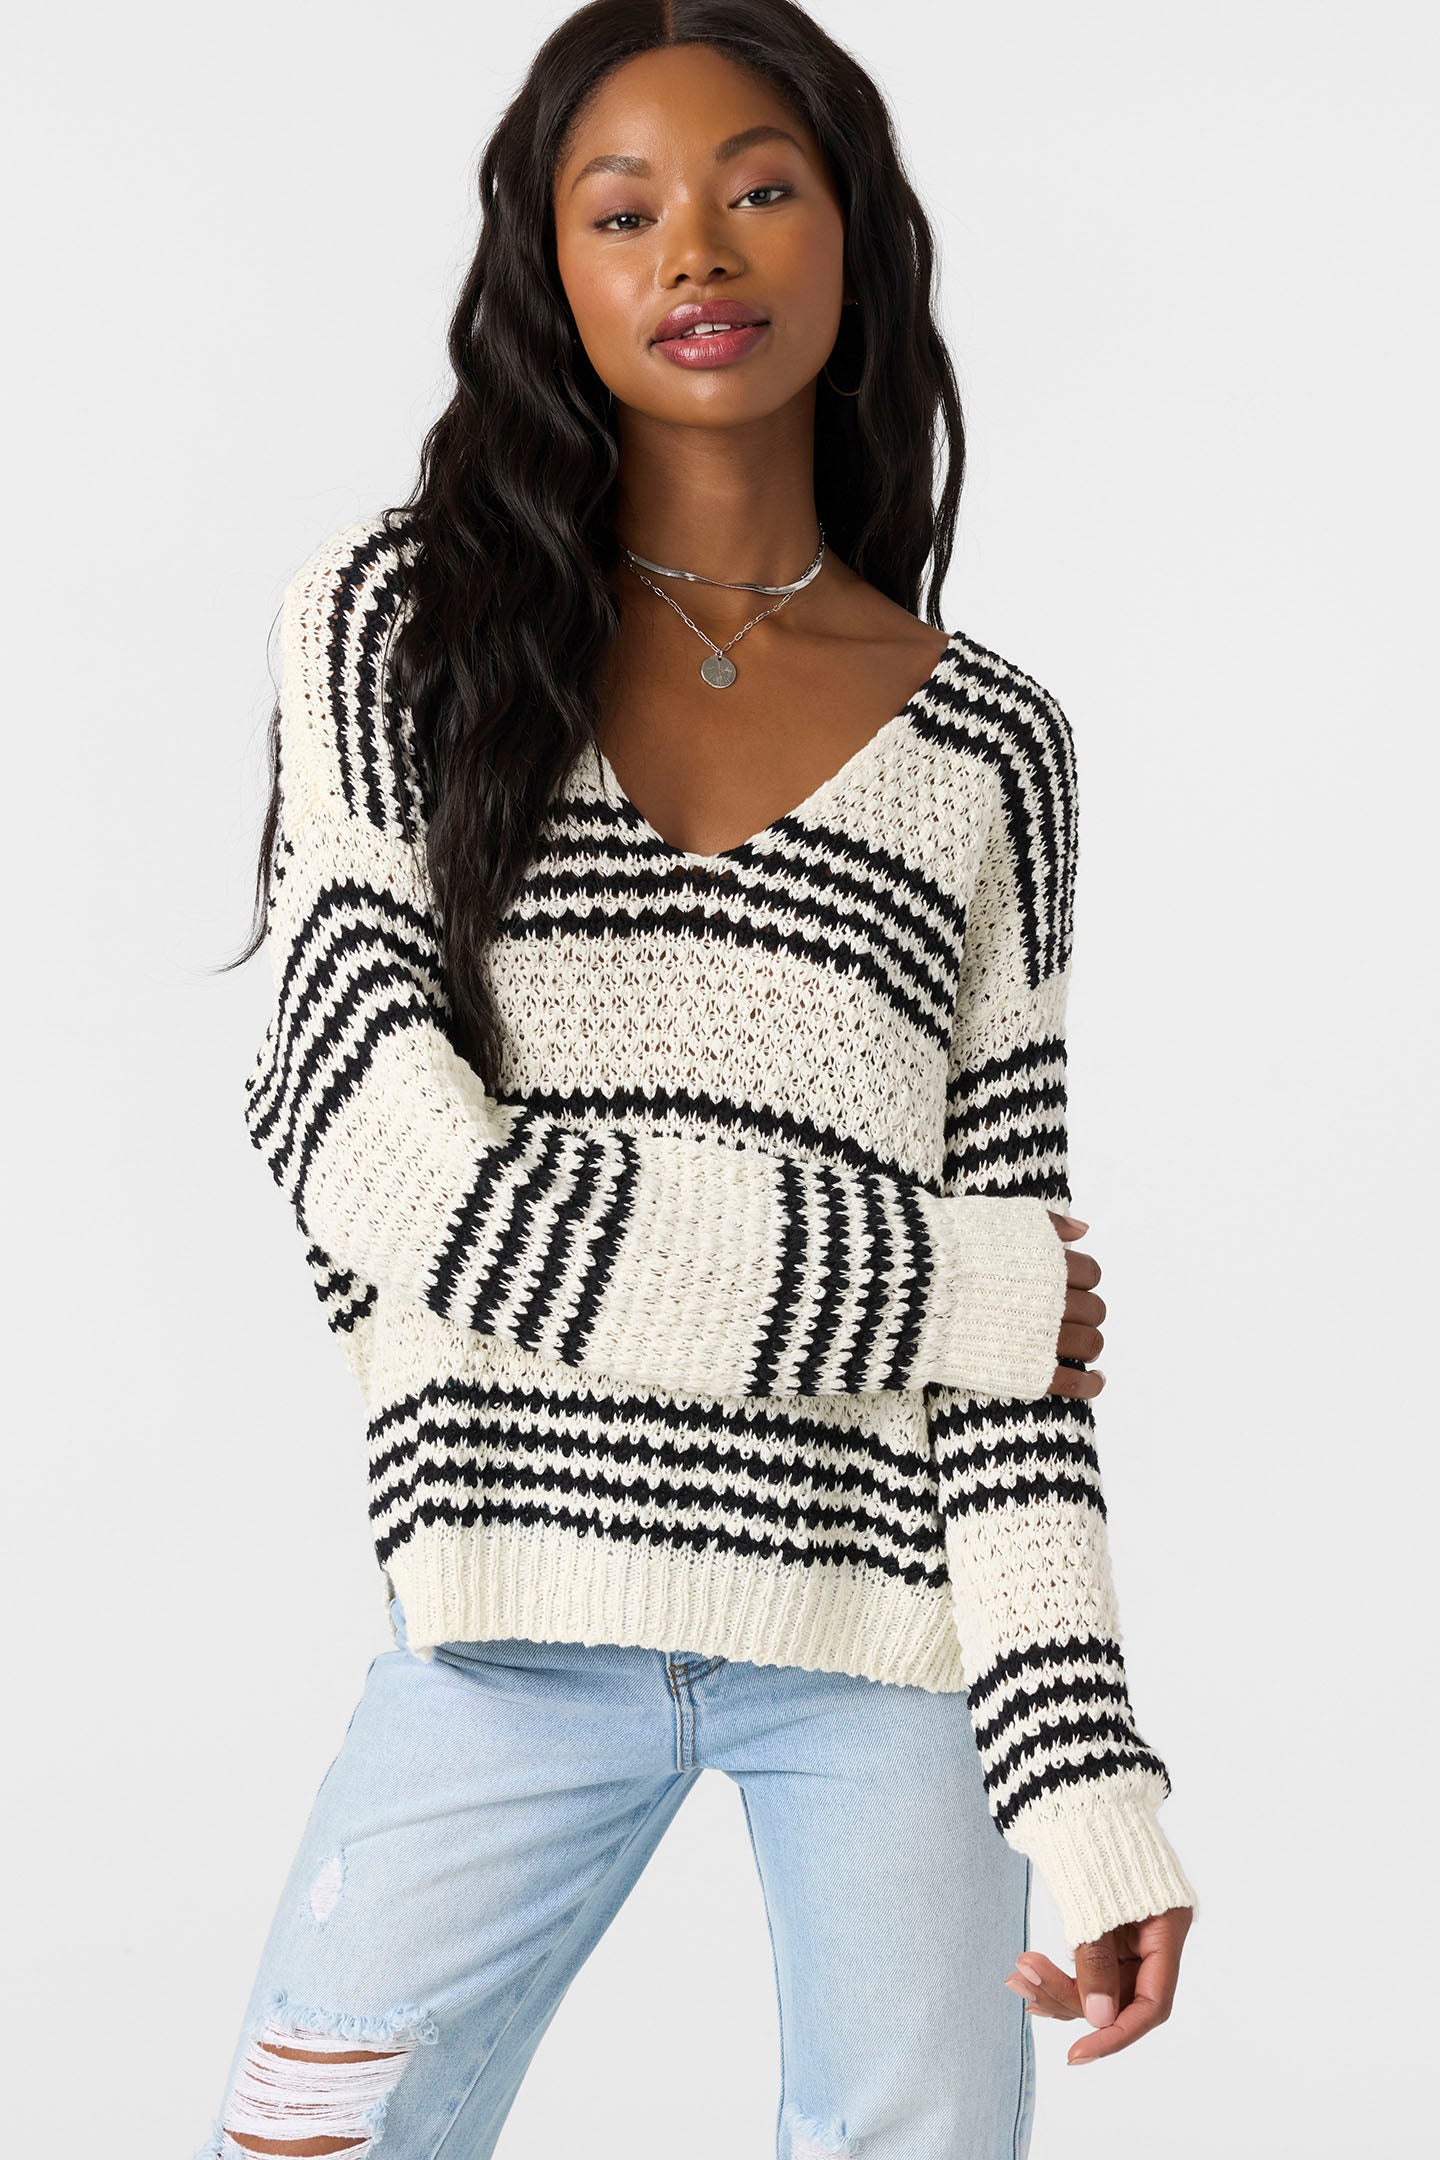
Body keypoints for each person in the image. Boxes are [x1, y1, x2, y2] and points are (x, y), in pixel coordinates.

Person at [200, 5, 1194, 2155]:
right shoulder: (395, 627)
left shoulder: (990, 747)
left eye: (759, 187)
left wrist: (1089, 1781)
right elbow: (396, 1178)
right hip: (506, 1624)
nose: (697, 252)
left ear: (854, 234)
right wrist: (947, 1287)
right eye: (622, 206)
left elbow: (1017, 1381)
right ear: (545, 263)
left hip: (899, 1643)